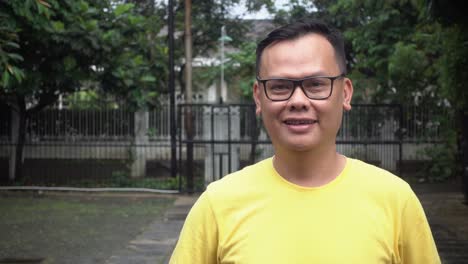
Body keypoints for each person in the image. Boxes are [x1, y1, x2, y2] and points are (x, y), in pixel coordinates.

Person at [169, 19, 440, 264]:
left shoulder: (395, 200)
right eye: (279, 86)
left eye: (316, 84)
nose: (298, 101)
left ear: (345, 93)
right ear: (258, 97)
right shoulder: (218, 204)